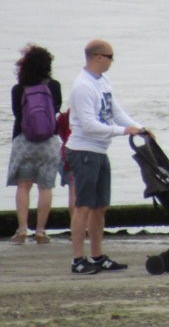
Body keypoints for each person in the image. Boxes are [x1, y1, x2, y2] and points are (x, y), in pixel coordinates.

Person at [67, 39, 145, 274]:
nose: (112, 61)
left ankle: (97, 255)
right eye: (110, 57)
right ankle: (77, 259)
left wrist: (139, 128)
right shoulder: (83, 86)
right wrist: (123, 131)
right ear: (98, 57)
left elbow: (115, 112)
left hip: (100, 151)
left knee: (100, 206)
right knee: (83, 206)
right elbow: (89, 125)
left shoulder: (102, 81)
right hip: (84, 150)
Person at [6, 44, 62, 244]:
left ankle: (22, 229)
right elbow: (56, 109)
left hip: (23, 140)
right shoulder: (53, 86)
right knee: (45, 187)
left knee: (23, 186)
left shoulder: (18, 89)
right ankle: (40, 231)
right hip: (49, 141)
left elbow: (17, 114)